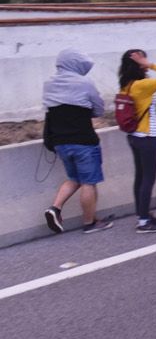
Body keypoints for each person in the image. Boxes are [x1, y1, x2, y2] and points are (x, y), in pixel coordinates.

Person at [43, 49, 112, 234]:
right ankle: (90, 223)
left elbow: (49, 110)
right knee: (89, 182)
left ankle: (55, 208)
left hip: (60, 143)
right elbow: (99, 109)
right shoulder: (84, 83)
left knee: (74, 179)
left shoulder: (48, 84)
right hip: (84, 141)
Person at [117, 50, 156, 233]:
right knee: (148, 178)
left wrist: (144, 64)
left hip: (134, 136)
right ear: (139, 64)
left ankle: (142, 214)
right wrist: (150, 65)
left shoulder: (127, 85)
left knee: (140, 176)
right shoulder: (142, 85)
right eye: (143, 60)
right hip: (146, 137)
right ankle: (144, 222)